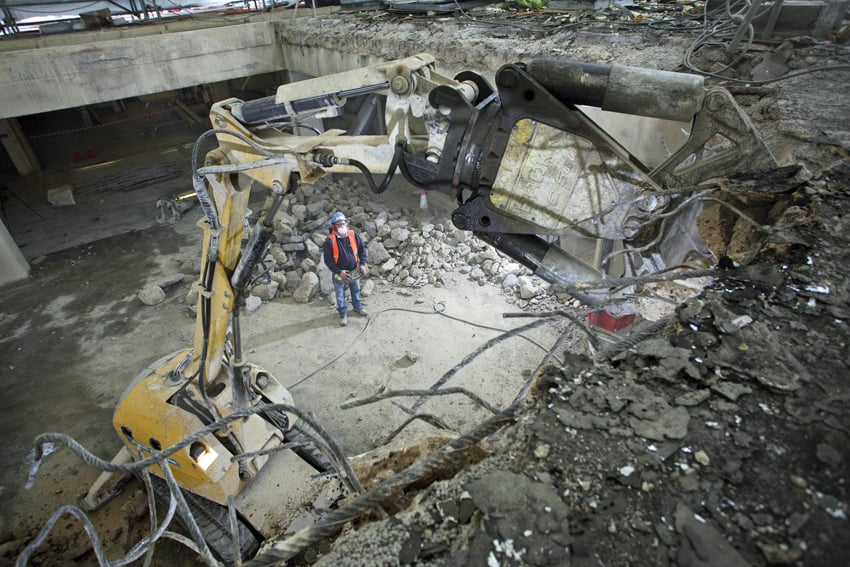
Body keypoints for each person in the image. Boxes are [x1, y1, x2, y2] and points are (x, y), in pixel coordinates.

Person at [323, 212, 368, 326]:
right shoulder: (329, 241)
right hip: (339, 273)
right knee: (339, 295)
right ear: (333, 227)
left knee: (356, 290)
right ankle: (343, 314)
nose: (341, 227)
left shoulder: (353, 235)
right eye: (338, 225)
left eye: (343, 224)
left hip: (353, 270)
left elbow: (362, 250)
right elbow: (328, 260)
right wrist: (339, 272)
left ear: (347, 224)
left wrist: (362, 264)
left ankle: (357, 307)